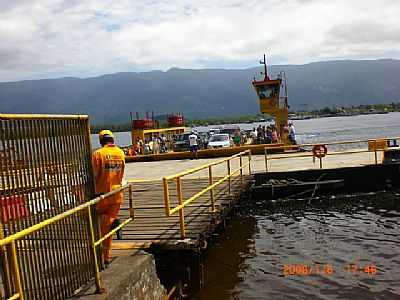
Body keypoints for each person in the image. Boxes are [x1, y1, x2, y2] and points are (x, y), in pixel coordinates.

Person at [92, 130, 125, 266]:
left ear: (101, 141)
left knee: (99, 229)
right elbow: (121, 173)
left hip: (102, 196)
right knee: (107, 227)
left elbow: (93, 175)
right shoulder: (121, 153)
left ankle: (101, 259)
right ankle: (105, 257)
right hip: (116, 195)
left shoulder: (98, 154)